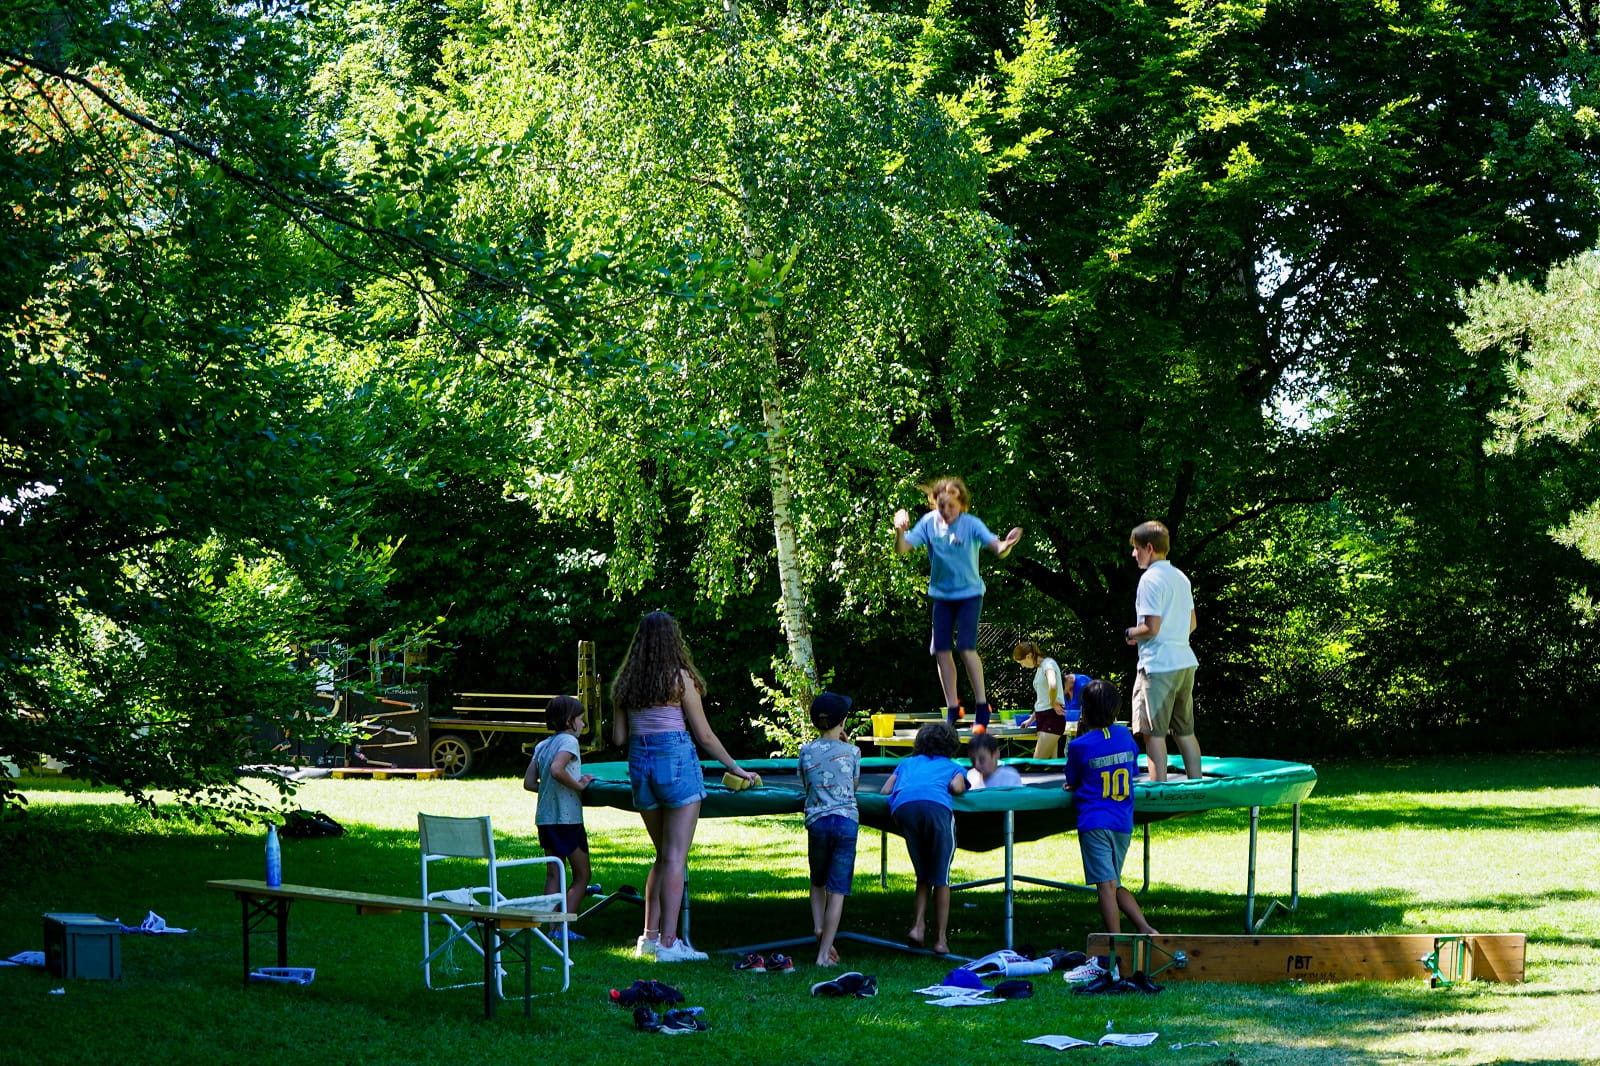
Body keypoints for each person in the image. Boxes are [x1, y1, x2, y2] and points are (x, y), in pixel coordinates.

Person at [610, 610, 756, 962]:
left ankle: (648, 937)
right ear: (673, 641)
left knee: (661, 855)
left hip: (639, 763)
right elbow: (704, 735)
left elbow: (618, 737)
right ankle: (671, 944)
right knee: (676, 857)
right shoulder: (680, 679)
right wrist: (737, 768)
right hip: (675, 759)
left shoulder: (624, 685)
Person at [893, 477, 1023, 732]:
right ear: (935, 504)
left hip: (969, 594)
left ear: (961, 505)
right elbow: (902, 549)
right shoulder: (929, 524)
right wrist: (899, 531)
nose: (946, 511)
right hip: (942, 595)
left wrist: (1007, 544)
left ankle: (982, 706)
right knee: (941, 650)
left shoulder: (971, 524)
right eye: (941, 506)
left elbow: (997, 548)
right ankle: (953, 707)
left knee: (965, 648)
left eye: (951, 506)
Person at [1062, 679, 1158, 981]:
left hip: (1094, 820)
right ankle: (1145, 929)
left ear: (1084, 710)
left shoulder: (1079, 745)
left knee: (1105, 886)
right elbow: (1129, 771)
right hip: (1121, 821)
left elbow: (1072, 780)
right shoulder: (1126, 738)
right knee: (1113, 884)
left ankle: (1112, 953)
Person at [880, 720, 967, 954]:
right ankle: (940, 939)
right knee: (941, 878)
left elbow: (886, 791)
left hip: (904, 810)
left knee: (923, 875)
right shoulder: (954, 766)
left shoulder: (906, 763)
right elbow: (957, 788)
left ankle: (917, 927)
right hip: (936, 809)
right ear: (951, 745)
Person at [1125, 520, 1201, 781]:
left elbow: (1151, 627)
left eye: (1136, 548)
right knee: (1185, 730)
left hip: (1157, 666)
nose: (1134, 554)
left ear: (1149, 547)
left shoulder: (1149, 579)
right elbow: (1191, 623)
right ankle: (1197, 786)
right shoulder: (1180, 577)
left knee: (1153, 733)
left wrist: (1130, 633)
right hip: (1185, 661)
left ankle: (1160, 791)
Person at [797, 690, 860, 967]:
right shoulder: (853, 752)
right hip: (846, 822)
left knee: (817, 881)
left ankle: (818, 927)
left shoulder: (805, 751)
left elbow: (805, 783)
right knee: (838, 889)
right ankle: (824, 954)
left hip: (818, 823)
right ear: (843, 722)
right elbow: (853, 786)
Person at [523, 695, 596, 924]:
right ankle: (561, 927)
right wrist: (579, 785)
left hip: (545, 818)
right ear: (568, 721)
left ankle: (548, 924)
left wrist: (550, 792)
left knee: (554, 872)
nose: (583, 725)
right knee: (583, 875)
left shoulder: (542, 745)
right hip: (567, 819)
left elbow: (529, 782)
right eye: (581, 719)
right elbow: (557, 769)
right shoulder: (568, 742)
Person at [1011, 641, 1092, 759]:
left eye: (1022, 662)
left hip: (1051, 718)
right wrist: (1031, 719)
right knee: (1050, 764)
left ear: (1028, 656)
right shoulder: (1040, 668)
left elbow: (1053, 685)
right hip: (1042, 717)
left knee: (1037, 763)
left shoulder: (1048, 664)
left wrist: (1053, 703)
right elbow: (1042, 699)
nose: (1023, 666)